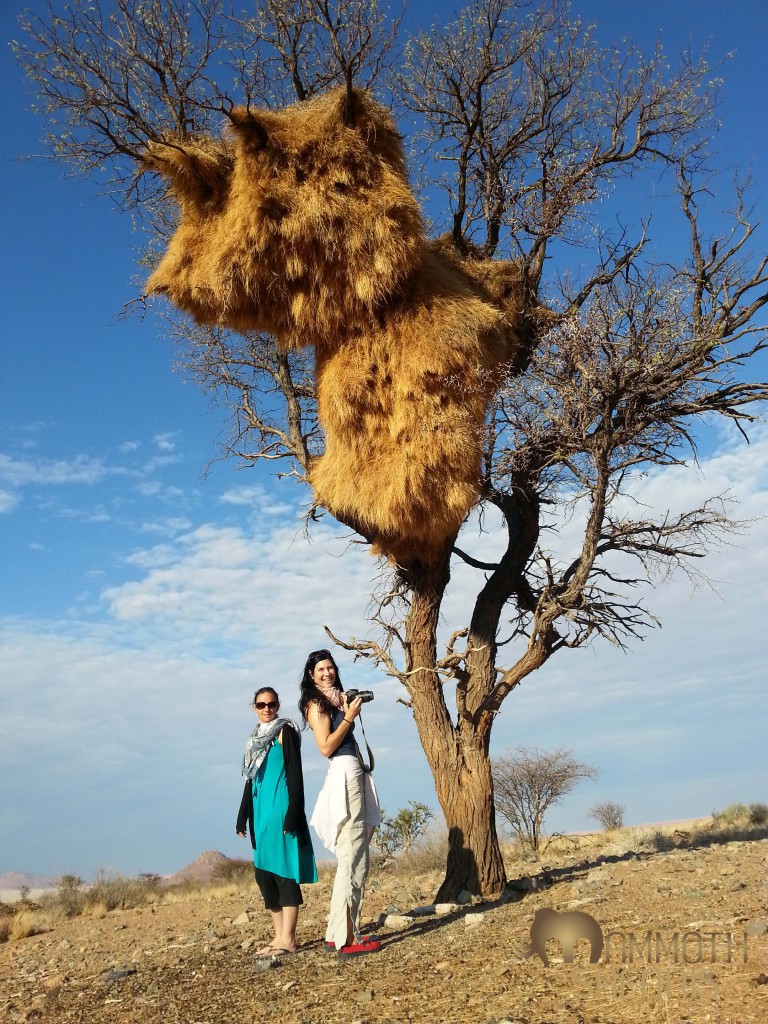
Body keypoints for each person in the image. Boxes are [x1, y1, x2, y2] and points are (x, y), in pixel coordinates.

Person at [299, 649, 381, 957]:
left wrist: (346, 710)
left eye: (330, 667)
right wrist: (348, 717)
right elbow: (326, 746)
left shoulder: (336, 699)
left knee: (354, 854)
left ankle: (336, 933)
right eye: (320, 669)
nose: (327, 673)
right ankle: (348, 939)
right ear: (311, 675)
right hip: (344, 770)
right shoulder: (316, 703)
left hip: (354, 770)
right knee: (354, 859)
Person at [236, 686, 317, 957]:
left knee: (283, 871)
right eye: (261, 704)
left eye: (271, 704)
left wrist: (295, 811)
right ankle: (278, 937)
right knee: (264, 875)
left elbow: (295, 772)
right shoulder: (254, 740)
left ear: (278, 705)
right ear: (254, 707)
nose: (267, 708)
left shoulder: (285, 731)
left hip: (280, 808)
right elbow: (251, 779)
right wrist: (242, 815)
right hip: (260, 813)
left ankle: (289, 939)